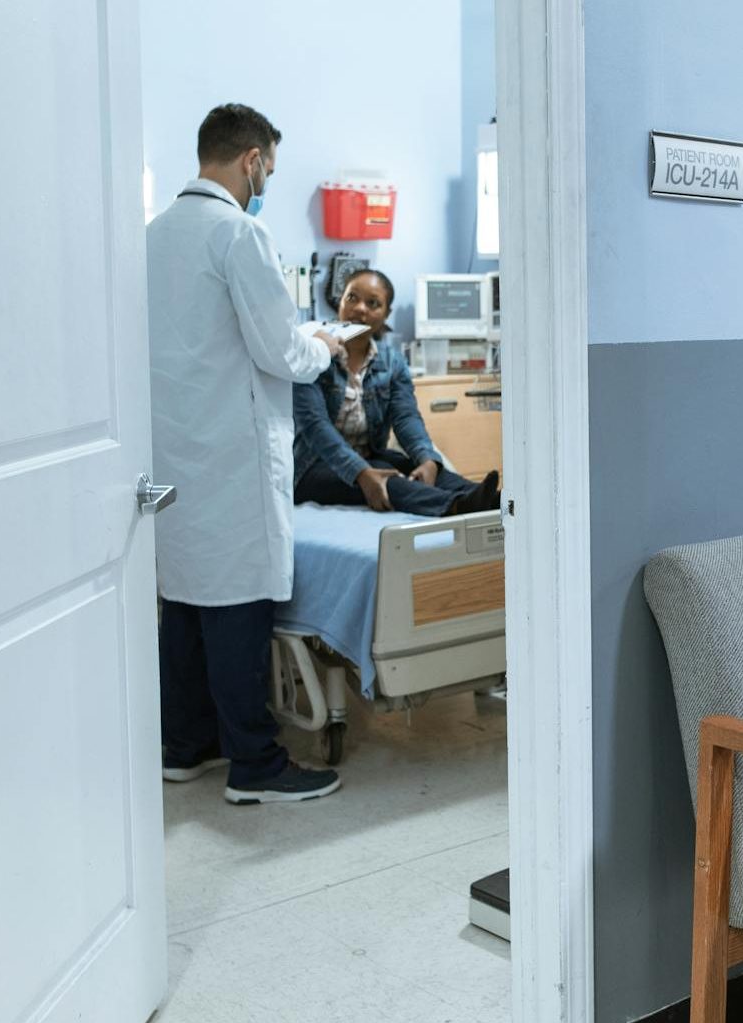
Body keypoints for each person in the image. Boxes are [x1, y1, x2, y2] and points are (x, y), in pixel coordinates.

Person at [148, 103, 344, 805]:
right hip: (231, 453)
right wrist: (321, 346)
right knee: (235, 606)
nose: (266, 181)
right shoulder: (239, 234)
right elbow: (280, 350)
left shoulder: (153, 236)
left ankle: (183, 744)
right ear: (253, 159)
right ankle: (254, 764)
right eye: (269, 169)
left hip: (174, 452)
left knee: (186, 603)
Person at [292, 269, 501, 515]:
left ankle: (489, 502)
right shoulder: (313, 357)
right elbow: (316, 428)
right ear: (340, 301)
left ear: (386, 313)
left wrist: (427, 460)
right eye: (352, 298)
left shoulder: (392, 362)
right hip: (312, 468)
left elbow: (406, 418)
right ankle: (454, 507)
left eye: (373, 303)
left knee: (426, 469)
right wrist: (362, 473)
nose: (360, 308)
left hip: (370, 456)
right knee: (390, 482)